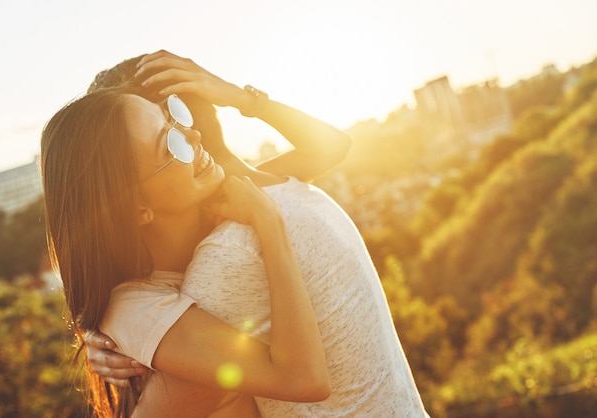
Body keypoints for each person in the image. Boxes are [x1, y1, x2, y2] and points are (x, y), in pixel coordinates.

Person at [85, 51, 429, 417]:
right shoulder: (284, 189)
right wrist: (241, 98)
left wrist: (124, 336)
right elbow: (333, 145)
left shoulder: (227, 259)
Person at [41, 85, 333, 416]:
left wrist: (244, 99)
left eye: (174, 115)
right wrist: (269, 225)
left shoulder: (210, 205)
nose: (193, 135)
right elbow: (305, 379)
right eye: (171, 145)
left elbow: (330, 148)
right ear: (138, 209)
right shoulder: (138, 309)